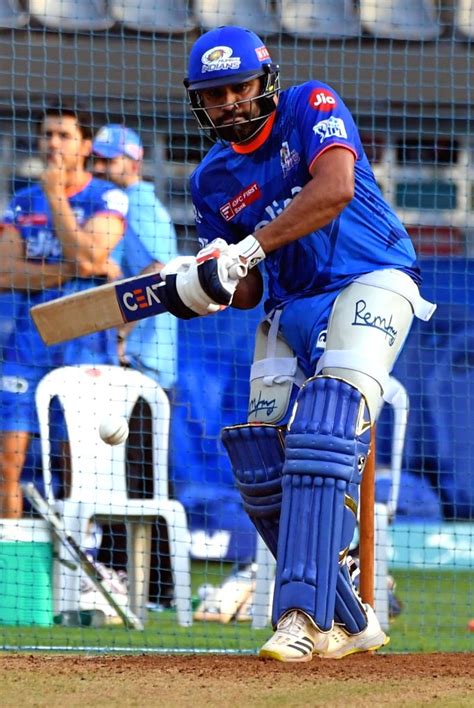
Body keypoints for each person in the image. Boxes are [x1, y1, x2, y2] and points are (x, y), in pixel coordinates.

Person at [155, 25, 438, 661]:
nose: (228, 102)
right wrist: (208, 282)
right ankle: (350, 615)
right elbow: (249, 290)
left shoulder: (310, 104)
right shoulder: (211, 181)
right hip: (290, 304)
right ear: (197, 102)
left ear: (265, 81)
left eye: (239, 87)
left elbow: (334, 188)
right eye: (213, 93)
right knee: (260, 460)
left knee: (325, 427)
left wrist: (249, 247)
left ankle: (300, 618)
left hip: (371, 276)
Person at [0, 100, 128, 519]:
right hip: (26, 347)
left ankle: (80, 561)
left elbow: (92, 257)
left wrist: (56, 197)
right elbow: (4, 273)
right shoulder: (21, 202)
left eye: (65, 135)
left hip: (85, 346)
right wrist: (69, 269)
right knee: (8, 466)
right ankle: (9, 565)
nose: (53, 143)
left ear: (86, 145)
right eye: (47, 134)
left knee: (78, 465)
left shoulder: (108, 196)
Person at [91, 124, 179, 609]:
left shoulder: (138, 203)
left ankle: (154, 587)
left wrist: (121, 334)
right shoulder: (120, 203)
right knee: (127, 479)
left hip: (143, 366)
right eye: (98, 161)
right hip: (139, 365)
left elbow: (157, 272)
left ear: (134, 162)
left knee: (141, 483)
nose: (101, 168)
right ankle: (130, 579)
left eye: (110, 160)